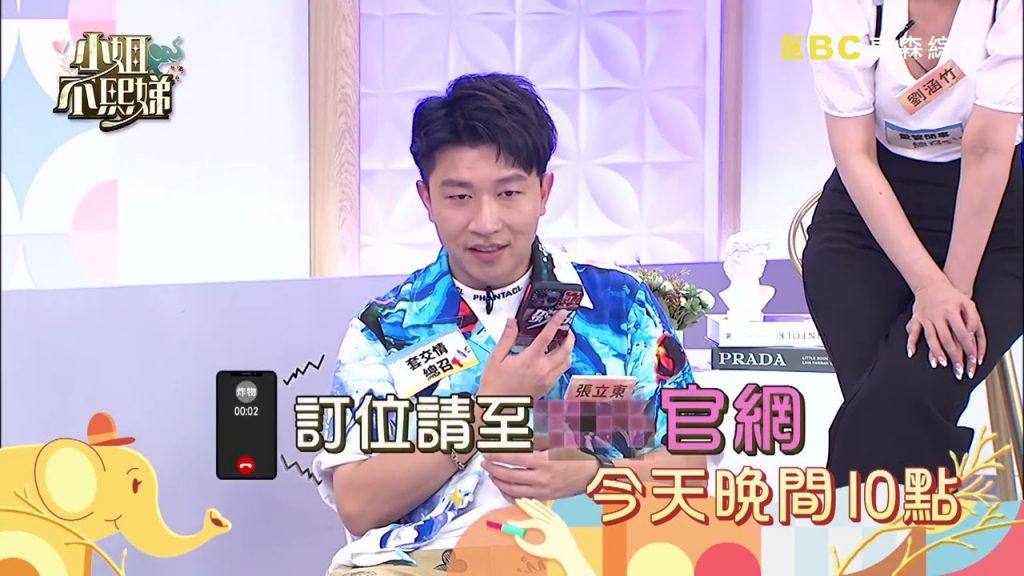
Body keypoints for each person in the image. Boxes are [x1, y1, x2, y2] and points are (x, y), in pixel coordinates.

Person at [311, 73, 705, 575]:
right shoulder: (387, 328)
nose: (486, 222)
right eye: (459, 197)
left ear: (544, 191)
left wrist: (594, 476)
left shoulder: (619, 307)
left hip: (588, 550)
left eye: (509, 193)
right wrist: (486, 411)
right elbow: (359, 504)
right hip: (427, 559)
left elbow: (691, 466)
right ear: (426, 199)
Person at [802, 0, 1023, 489]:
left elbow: (988, 146)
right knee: (887, 395)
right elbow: (853, 152)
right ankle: (923, 525)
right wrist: (927, 285)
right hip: (869, 215)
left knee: (904, 391)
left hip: (987, 220)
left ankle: (856, 531)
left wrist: (952, 291)